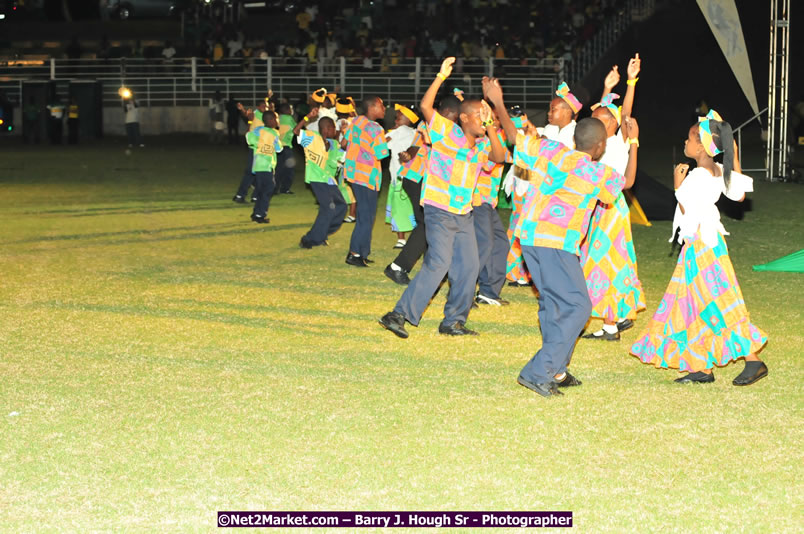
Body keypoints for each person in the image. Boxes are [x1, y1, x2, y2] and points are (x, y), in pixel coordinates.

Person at [485, 78, 637, 398]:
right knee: (579, 307)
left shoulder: (551, 150)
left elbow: (515, 137)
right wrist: (634, 142)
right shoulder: (596, 173)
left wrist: (497, 101)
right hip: (556, 243)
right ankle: (538, 371)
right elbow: (627, 182)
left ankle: (556, 369)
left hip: (529, 238)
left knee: (553, 303)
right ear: (600, 147)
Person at [630, 111, 768, 386]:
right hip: (711, 243)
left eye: (691, 138)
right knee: (694, 304)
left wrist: (677, 185)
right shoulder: (716, 170)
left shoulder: (697, 176)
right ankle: (700, 366)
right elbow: (738, 194)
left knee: (716, 302)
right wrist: (733, 155)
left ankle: (753, 360)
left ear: (702, 147)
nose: (686, 142)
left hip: (701, 246)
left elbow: (688, 213)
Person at [378, 60, 506, 338]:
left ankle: (453, 321)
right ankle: (397, 314)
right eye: (480, 116)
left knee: (469, 267)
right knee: (439, 263)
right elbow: (426, 107)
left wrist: (491, 126)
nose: (484, 119)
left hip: (464, 214)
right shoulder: (447, 132)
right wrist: (440, 76)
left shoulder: (482, 144)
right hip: (439, 210)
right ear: (464, 118)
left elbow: (500, 157)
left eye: (486, 116)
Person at [580, 54, 645, 341]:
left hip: (611, 209)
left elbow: (625, 115)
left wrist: (631, 82)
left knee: (605, 263)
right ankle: (612, 322)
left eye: (598, 121)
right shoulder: (596, 142)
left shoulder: (618, 142)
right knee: (606, 264)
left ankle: (613, 320)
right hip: (598, 208)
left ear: (612, 125)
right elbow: (603, 112)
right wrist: (606, 88)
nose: (591, 123)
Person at [383, 97, 460, 286]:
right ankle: (398, 267)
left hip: (424, 180)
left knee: (428, 224)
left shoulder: (446, 128)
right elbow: (416, 146)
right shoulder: (431, 125)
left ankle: (430, 267)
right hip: (416, 178)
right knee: (426, 224)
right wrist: (407, 154)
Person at [472, 106, 513, 307]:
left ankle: (488, 292)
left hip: (488, 202)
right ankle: (462, 291)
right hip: (477, 200)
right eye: (491, 119)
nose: (496, 122)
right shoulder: (481, 142)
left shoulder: (497, 141)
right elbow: (495, 160)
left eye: (497, 119)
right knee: (484, 245)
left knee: (499, 244)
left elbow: (515, 158)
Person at [343, 95, 390, 267]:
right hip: (367, 176)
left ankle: (363, 252)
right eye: (381, 106)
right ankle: (354, 253)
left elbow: (345, 142)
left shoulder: (356, 121)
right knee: (366, 216)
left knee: (367, 215)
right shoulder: (376, 129)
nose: (384, 109)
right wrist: (386, 142)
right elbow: (381, 154)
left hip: (354, 173)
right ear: (372, 107)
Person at [294, 109, 348, 248]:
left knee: (341, 207)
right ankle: (309, 239)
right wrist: (307, 116)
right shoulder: (312, 138)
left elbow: (343, 151)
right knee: (328, 208)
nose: (335, 131)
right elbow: (296, 131)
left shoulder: (334, 144)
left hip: (329, 180)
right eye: (334, 128)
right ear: (326, 128)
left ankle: (321, 233)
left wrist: (345, 133)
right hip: (316, 178)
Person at [385, 104, 420, 249]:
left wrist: (390, 132)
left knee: (398, 208)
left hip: (398, 177)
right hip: (412, 176)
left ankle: (401, 239)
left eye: (398, 118)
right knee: (413, 208)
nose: (396, 120)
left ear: (408, 119)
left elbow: (384, 143)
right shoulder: (416, 133)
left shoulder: (399, 131)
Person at [246, 110, 283, 224]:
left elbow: (249, 138)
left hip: (258, 165)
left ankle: (256, 213)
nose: (277, 121)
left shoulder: (258, 131)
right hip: (267, 165)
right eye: (276, 119)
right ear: (271, 120)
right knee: (268, 189)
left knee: (262, 190)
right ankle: (260, 214)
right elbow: (279, 149)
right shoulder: (274, 133)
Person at [232, 100, 267, 203]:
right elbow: (248, 115)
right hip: (255, 147)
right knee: (251, 173)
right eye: (262, 106)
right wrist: (242, 109)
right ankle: (240, 195)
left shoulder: (266, 115)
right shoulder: (256, 114)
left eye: (265, 106)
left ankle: (254, 196)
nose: (264, 108)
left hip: (262, 148)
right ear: (258, 107)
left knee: (258, 172)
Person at [537, 81, 582, 148]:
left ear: (567, 112)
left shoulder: (576, 132)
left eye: (553, 109)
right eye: (549, 109)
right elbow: (539, 148)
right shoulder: (550, 127)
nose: (549, 113)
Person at [335, 97, 358, 223]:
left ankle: (352, 214)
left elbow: (336, 140)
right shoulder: (354, 121)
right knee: (348, 185)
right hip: (354, 157)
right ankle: (351, 213)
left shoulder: (340, 123)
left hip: (343, 157)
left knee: (345, 186)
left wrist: (339, 131)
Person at [276, 102, 298, 194]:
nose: (291, 110)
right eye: (290, 109)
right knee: (289, 169)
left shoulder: (279, 118)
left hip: (277, 146)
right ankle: (285, 188)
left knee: (278, 169)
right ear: (286, 110)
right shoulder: (289, 118)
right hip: (286, 147)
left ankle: (275, 188)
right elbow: (297, 129)